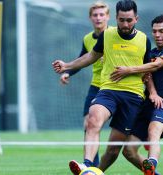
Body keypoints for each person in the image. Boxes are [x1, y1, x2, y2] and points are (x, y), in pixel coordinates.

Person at [52, 0, 156, 174]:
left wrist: (152, 92)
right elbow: (91, 56)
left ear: (136, 19)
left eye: (129, 20)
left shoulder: (144, 40)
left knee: (114, 149)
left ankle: (95, 171)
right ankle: (86, 164)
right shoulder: (107, 35)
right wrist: (67, 66)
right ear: (115, 18)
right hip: (108, 90)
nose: (125, 24)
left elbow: (147, 70)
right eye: (121, 20)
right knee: (92, 120)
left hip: (133, 96)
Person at [109, 14, 163, 175]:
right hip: (146, 102)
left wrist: (128, 70)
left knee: (153, 131)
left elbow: (155, 66)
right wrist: (152, 93)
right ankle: (152, 172)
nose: (157, 35)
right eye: (154, 31)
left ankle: (151, 162)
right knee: (128, 151)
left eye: (162, 31)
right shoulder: (150, 52)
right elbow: (147, 75)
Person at [59, 1, 110, 167]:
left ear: (108, 17)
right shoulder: (88, 39)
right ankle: (91, 168)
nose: (98, 18)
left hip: (117, 87)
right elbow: (82, 59)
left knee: (124, 135)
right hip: (96, 87)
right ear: (90, 18)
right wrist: (68, 72)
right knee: (89, 125)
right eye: (95, 15)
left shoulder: (116, 36)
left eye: (102, 14)